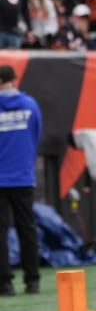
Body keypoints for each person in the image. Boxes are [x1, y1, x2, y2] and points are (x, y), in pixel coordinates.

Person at [0, 65, 42, 296]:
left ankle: (5, 283)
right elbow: (36, 134)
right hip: (23, 176)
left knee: (0, 232)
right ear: (14, 80)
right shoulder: (30, 105)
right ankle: (32, 280)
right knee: (27, 229)